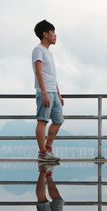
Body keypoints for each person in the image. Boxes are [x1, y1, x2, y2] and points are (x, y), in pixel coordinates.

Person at [32, 19, 64, 161]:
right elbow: (39, 73)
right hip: (44, 91)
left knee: (58, 120)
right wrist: (44, 93)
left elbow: (51, 75)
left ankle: (48, 148)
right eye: (53, 32)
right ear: (45, 34)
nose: (55, 35)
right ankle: (43, 153)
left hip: (53, 91)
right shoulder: (38, 50)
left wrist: (59, 93)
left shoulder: (49, 53)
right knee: (42, 121)